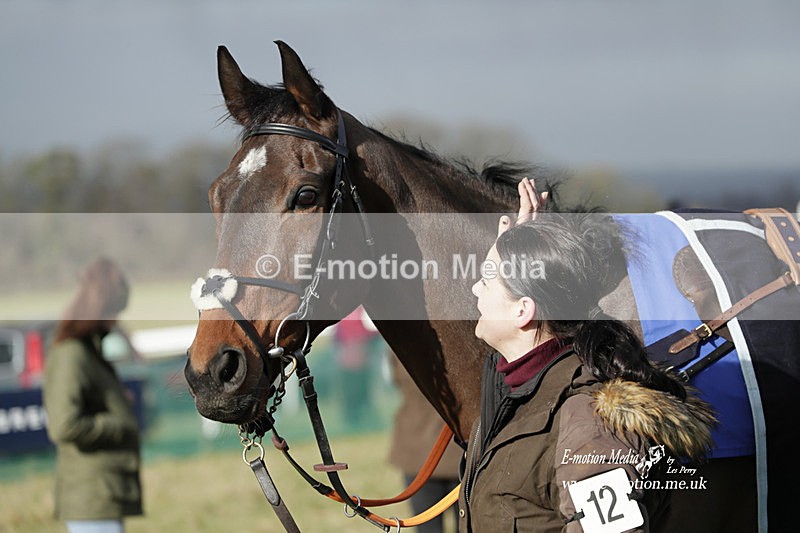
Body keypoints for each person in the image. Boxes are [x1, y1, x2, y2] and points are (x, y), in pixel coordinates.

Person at [457, 179, 716, 532]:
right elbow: (505, 375)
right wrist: (529, 248)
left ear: (523, 311)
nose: (474, 287)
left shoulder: (592, 423)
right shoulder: (518, 391)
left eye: (486, 280)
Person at [43, 257, 142, 533]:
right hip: (90, 498)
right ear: (99, 308)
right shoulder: (71, 355)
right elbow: (64, 425)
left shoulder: (90, 353)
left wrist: (117, 401)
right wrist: (117, 423)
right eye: (113, 312)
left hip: (104, 494)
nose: (115, 322)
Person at [388, 356, 462, 533]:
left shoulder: (402, 344)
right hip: (458, 451)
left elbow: (396, 378)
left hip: (418, 453)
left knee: (427, 529)